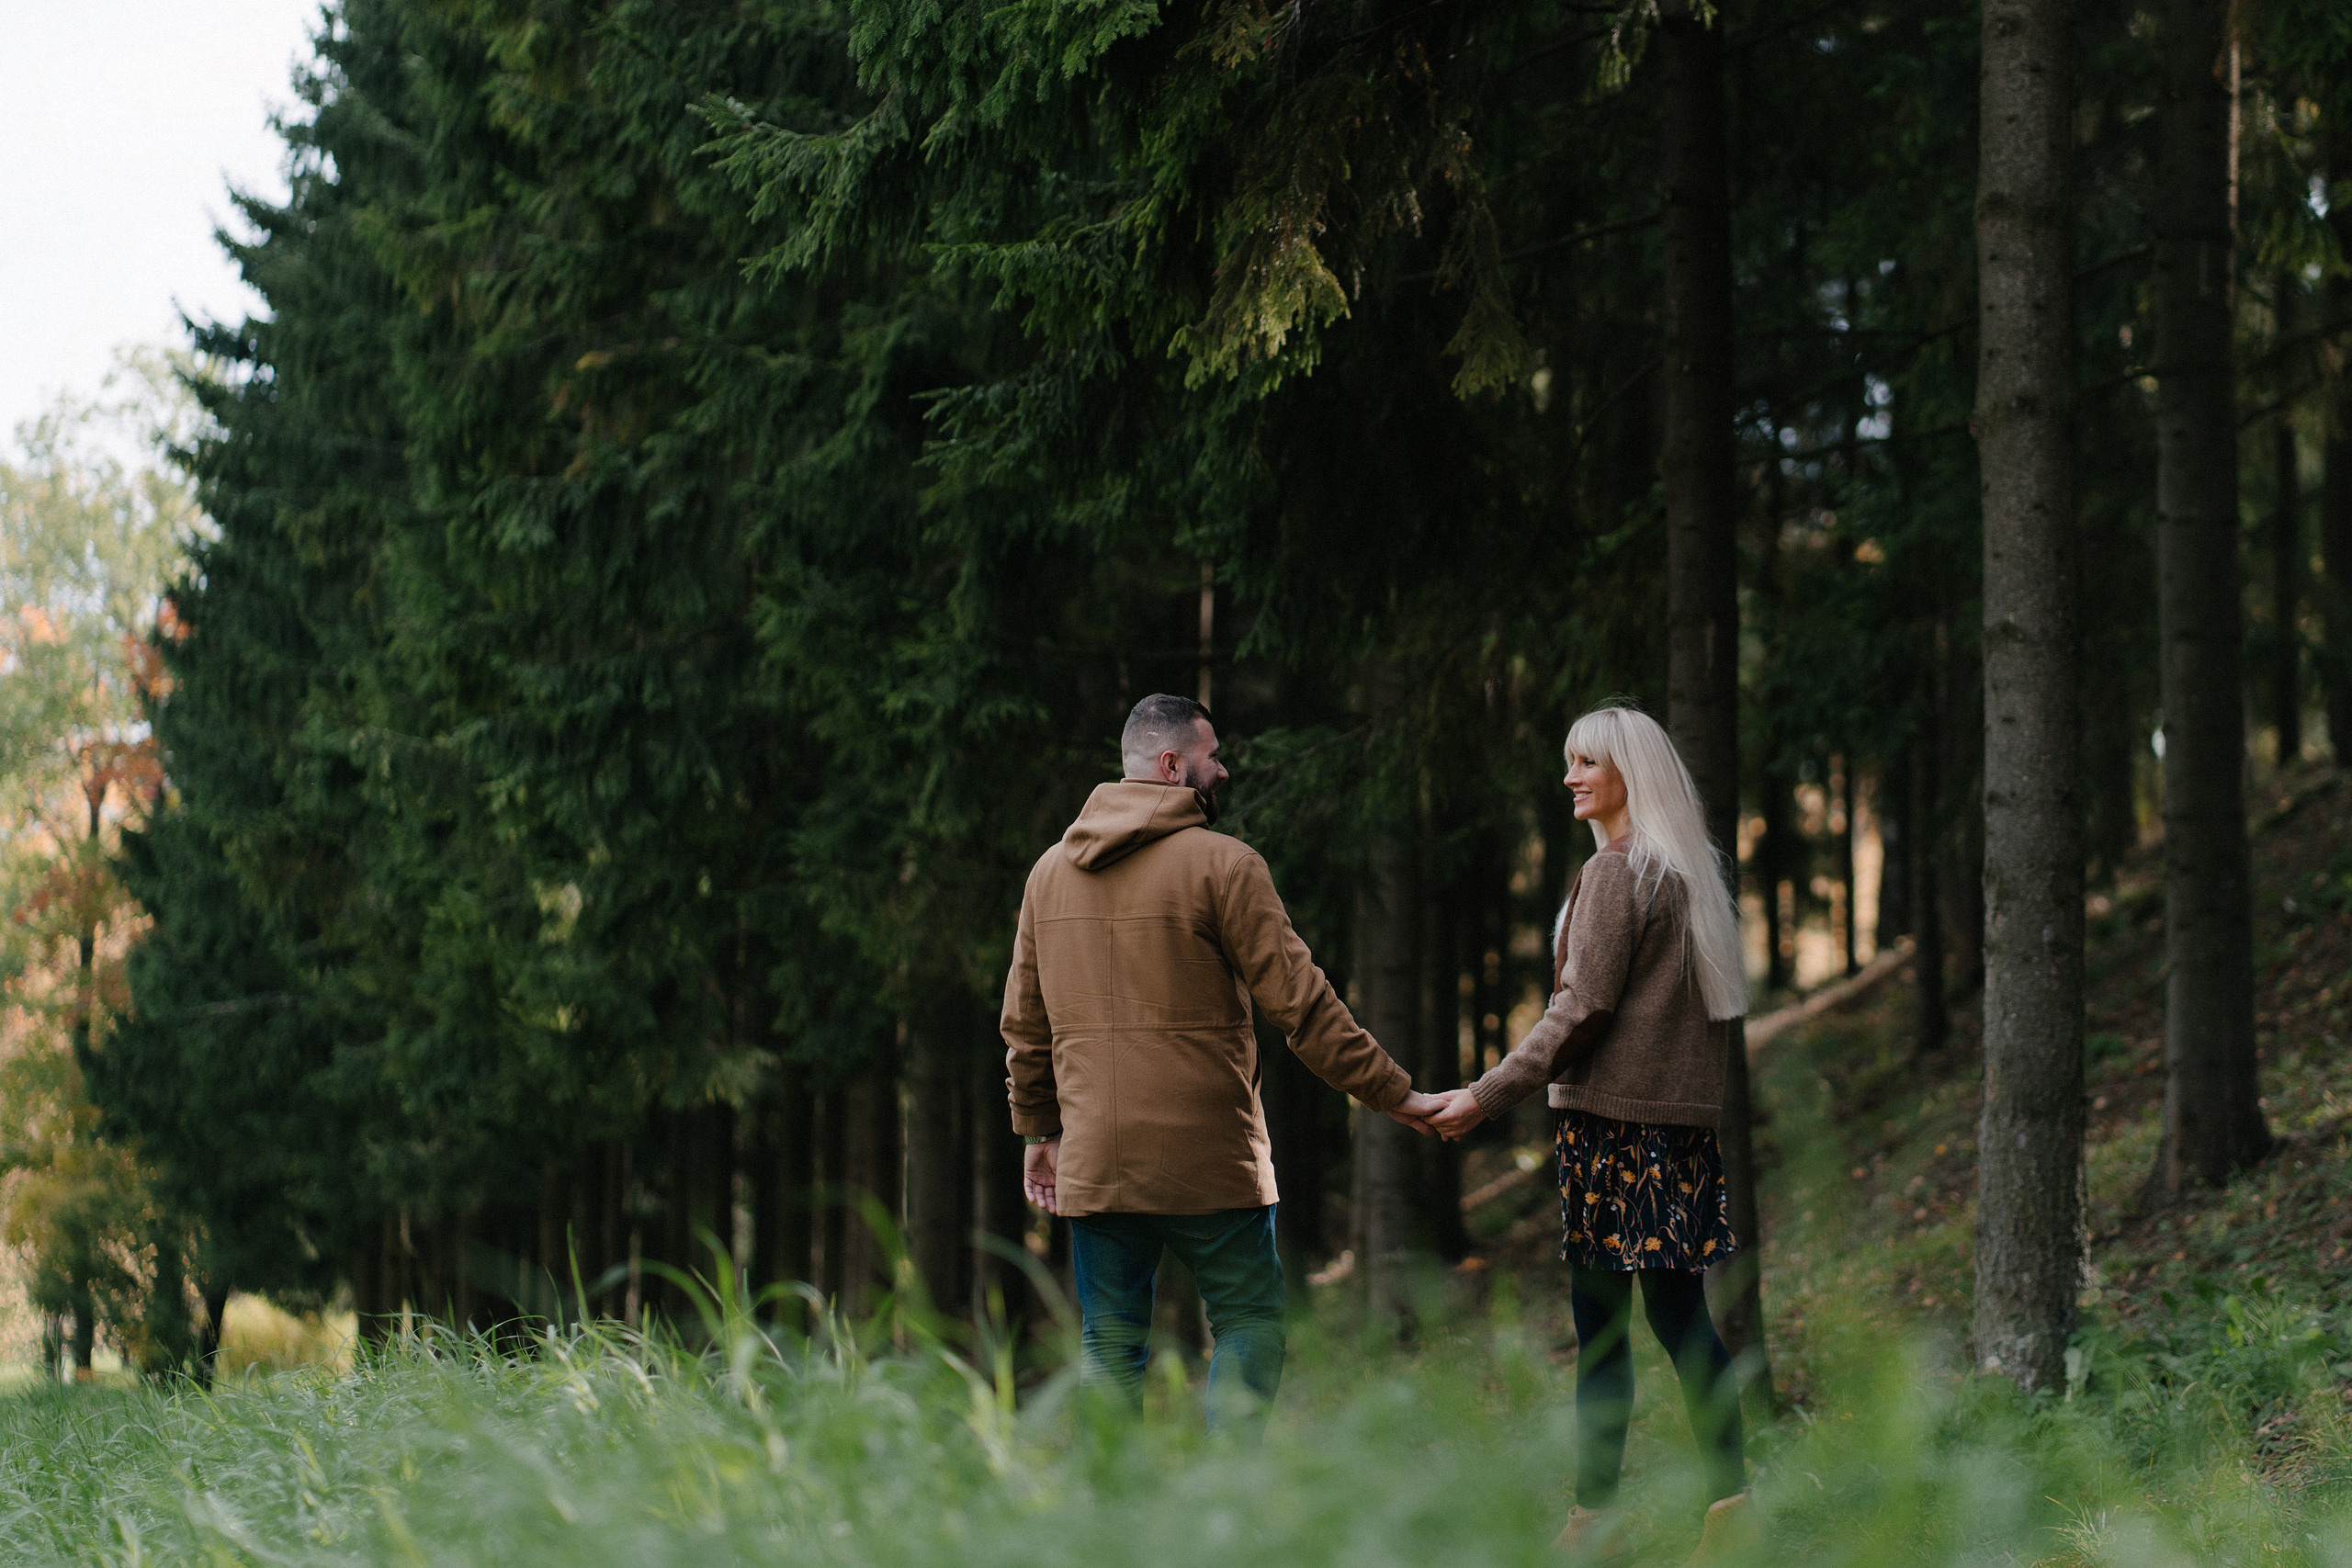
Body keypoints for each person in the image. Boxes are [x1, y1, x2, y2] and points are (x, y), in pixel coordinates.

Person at [1002, 694, 1442, 1439]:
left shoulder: (1049, 875)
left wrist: (1038, 1129)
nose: (1224, 769)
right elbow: (1303, 1005)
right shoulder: (1226, 865)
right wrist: (1394, 1093)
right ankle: (1226, 1506)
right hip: (1211, 1156)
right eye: (1213, 756)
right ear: (1174, 766)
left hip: (1098, 1159)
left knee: (1108, 1345)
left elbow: (1024, 1022)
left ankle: (1111, 1533)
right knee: (1247, 1319)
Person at [1426, 704, 1758, 1562]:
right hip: (1673, 1133)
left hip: (1617, 1134)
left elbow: (1581, 1007)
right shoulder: (1679, 873)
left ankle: (1594, 1521)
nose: (1569, 776)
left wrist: (1485, 1094)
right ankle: (1732, 1505)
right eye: (1568, 760)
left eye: (1585, 762)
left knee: (1602, 1328)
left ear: (1628, 776)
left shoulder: (1619, 874)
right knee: (1682, 1317)